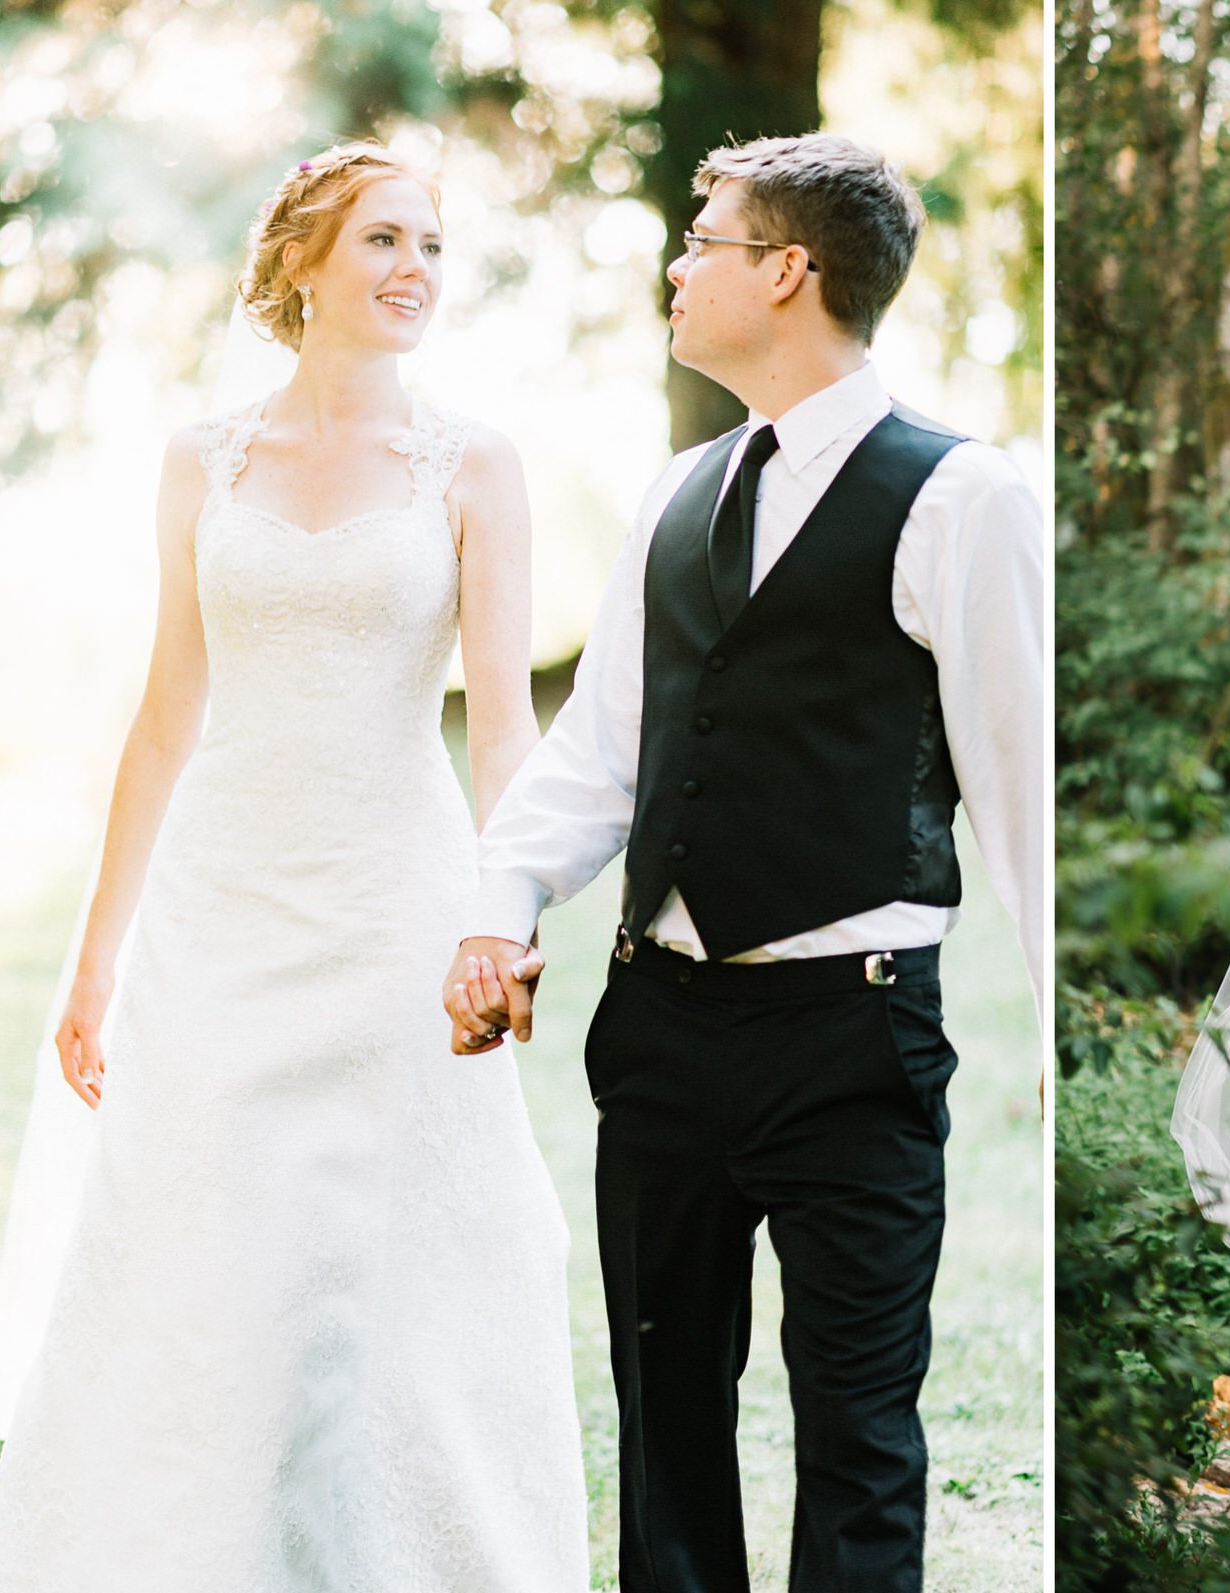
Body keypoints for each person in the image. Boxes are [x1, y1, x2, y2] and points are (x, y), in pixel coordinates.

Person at [0, 142, 588, 1589]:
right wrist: (96, 956)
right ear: (302, 263)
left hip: (397, 898)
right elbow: (168, 714)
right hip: (221, 900)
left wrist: (506, 916)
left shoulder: (474, 464)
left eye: (432, 242)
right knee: (208, 1241)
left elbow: (504, 727)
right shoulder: (203, 459)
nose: (414, 268)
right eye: (381, 239)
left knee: (372, 1259)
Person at [441, 133, 1046, 1591]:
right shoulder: (677, 492)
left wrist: (1072, 1034)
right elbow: (604, 754)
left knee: (858, 1437)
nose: (674, 261)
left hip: (856, 1036)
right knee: (665, 1429)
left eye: (702, 237)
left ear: (787, 271)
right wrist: (498, 905)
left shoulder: (965, 498)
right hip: (659, 1034)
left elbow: (1027, 792)